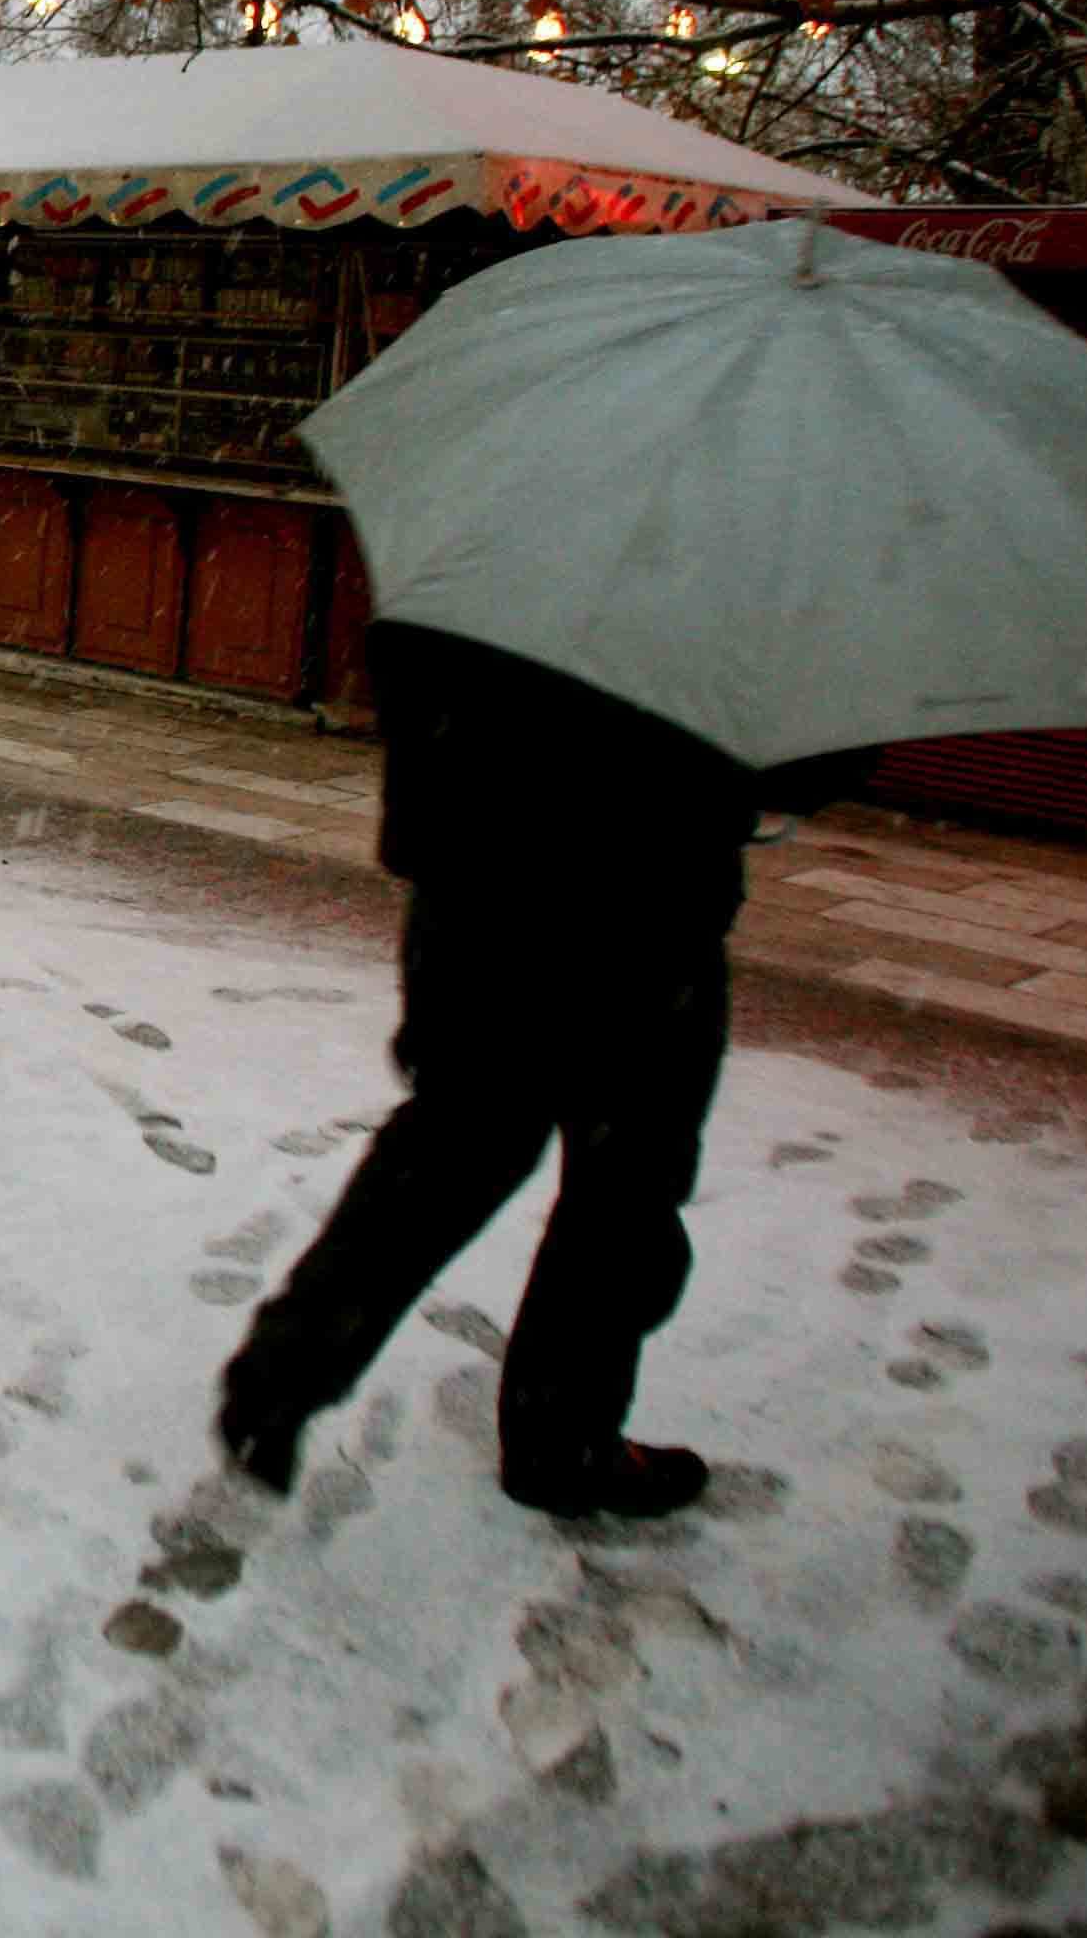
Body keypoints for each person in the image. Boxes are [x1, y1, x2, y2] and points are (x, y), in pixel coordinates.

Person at [214, 621, 872, 1521]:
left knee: (455, 1147)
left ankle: (283, 1376)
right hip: (645, 904)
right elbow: (802, 762)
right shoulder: (753, 564)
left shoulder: (503, 527)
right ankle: (562, 1441)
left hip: (476, 883)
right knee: (624, 1189)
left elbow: (403, 653)